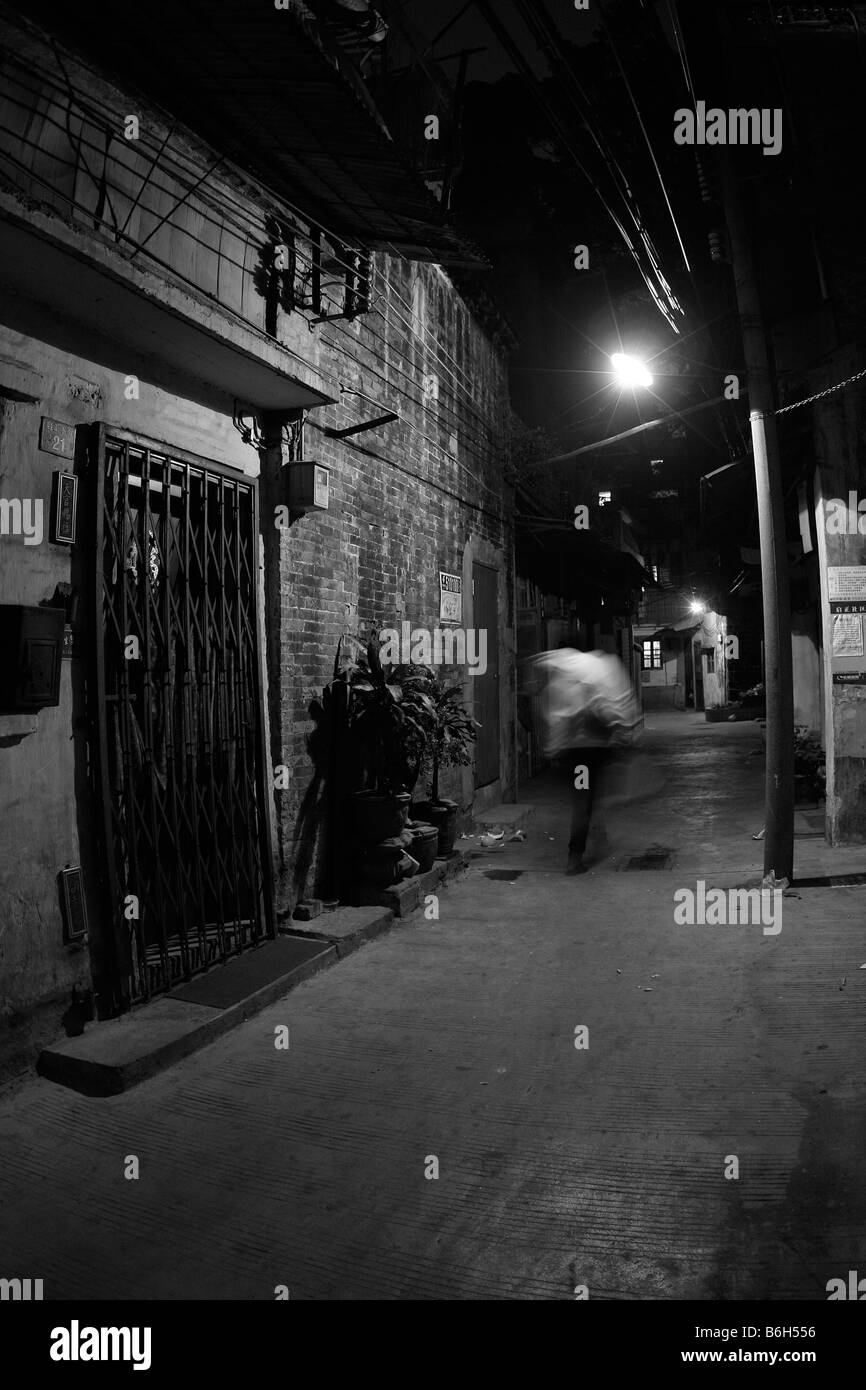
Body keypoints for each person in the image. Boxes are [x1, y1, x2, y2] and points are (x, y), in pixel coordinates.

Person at [533, 640, 641, 874]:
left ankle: (594, 836)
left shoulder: (565, 675)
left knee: (586, 796)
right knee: (584, 800)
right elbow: (615, 710)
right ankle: (575, 856)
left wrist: (554, 746)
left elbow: (555, 714)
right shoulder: (599, 670)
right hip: (593, 752)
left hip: (577, 753)